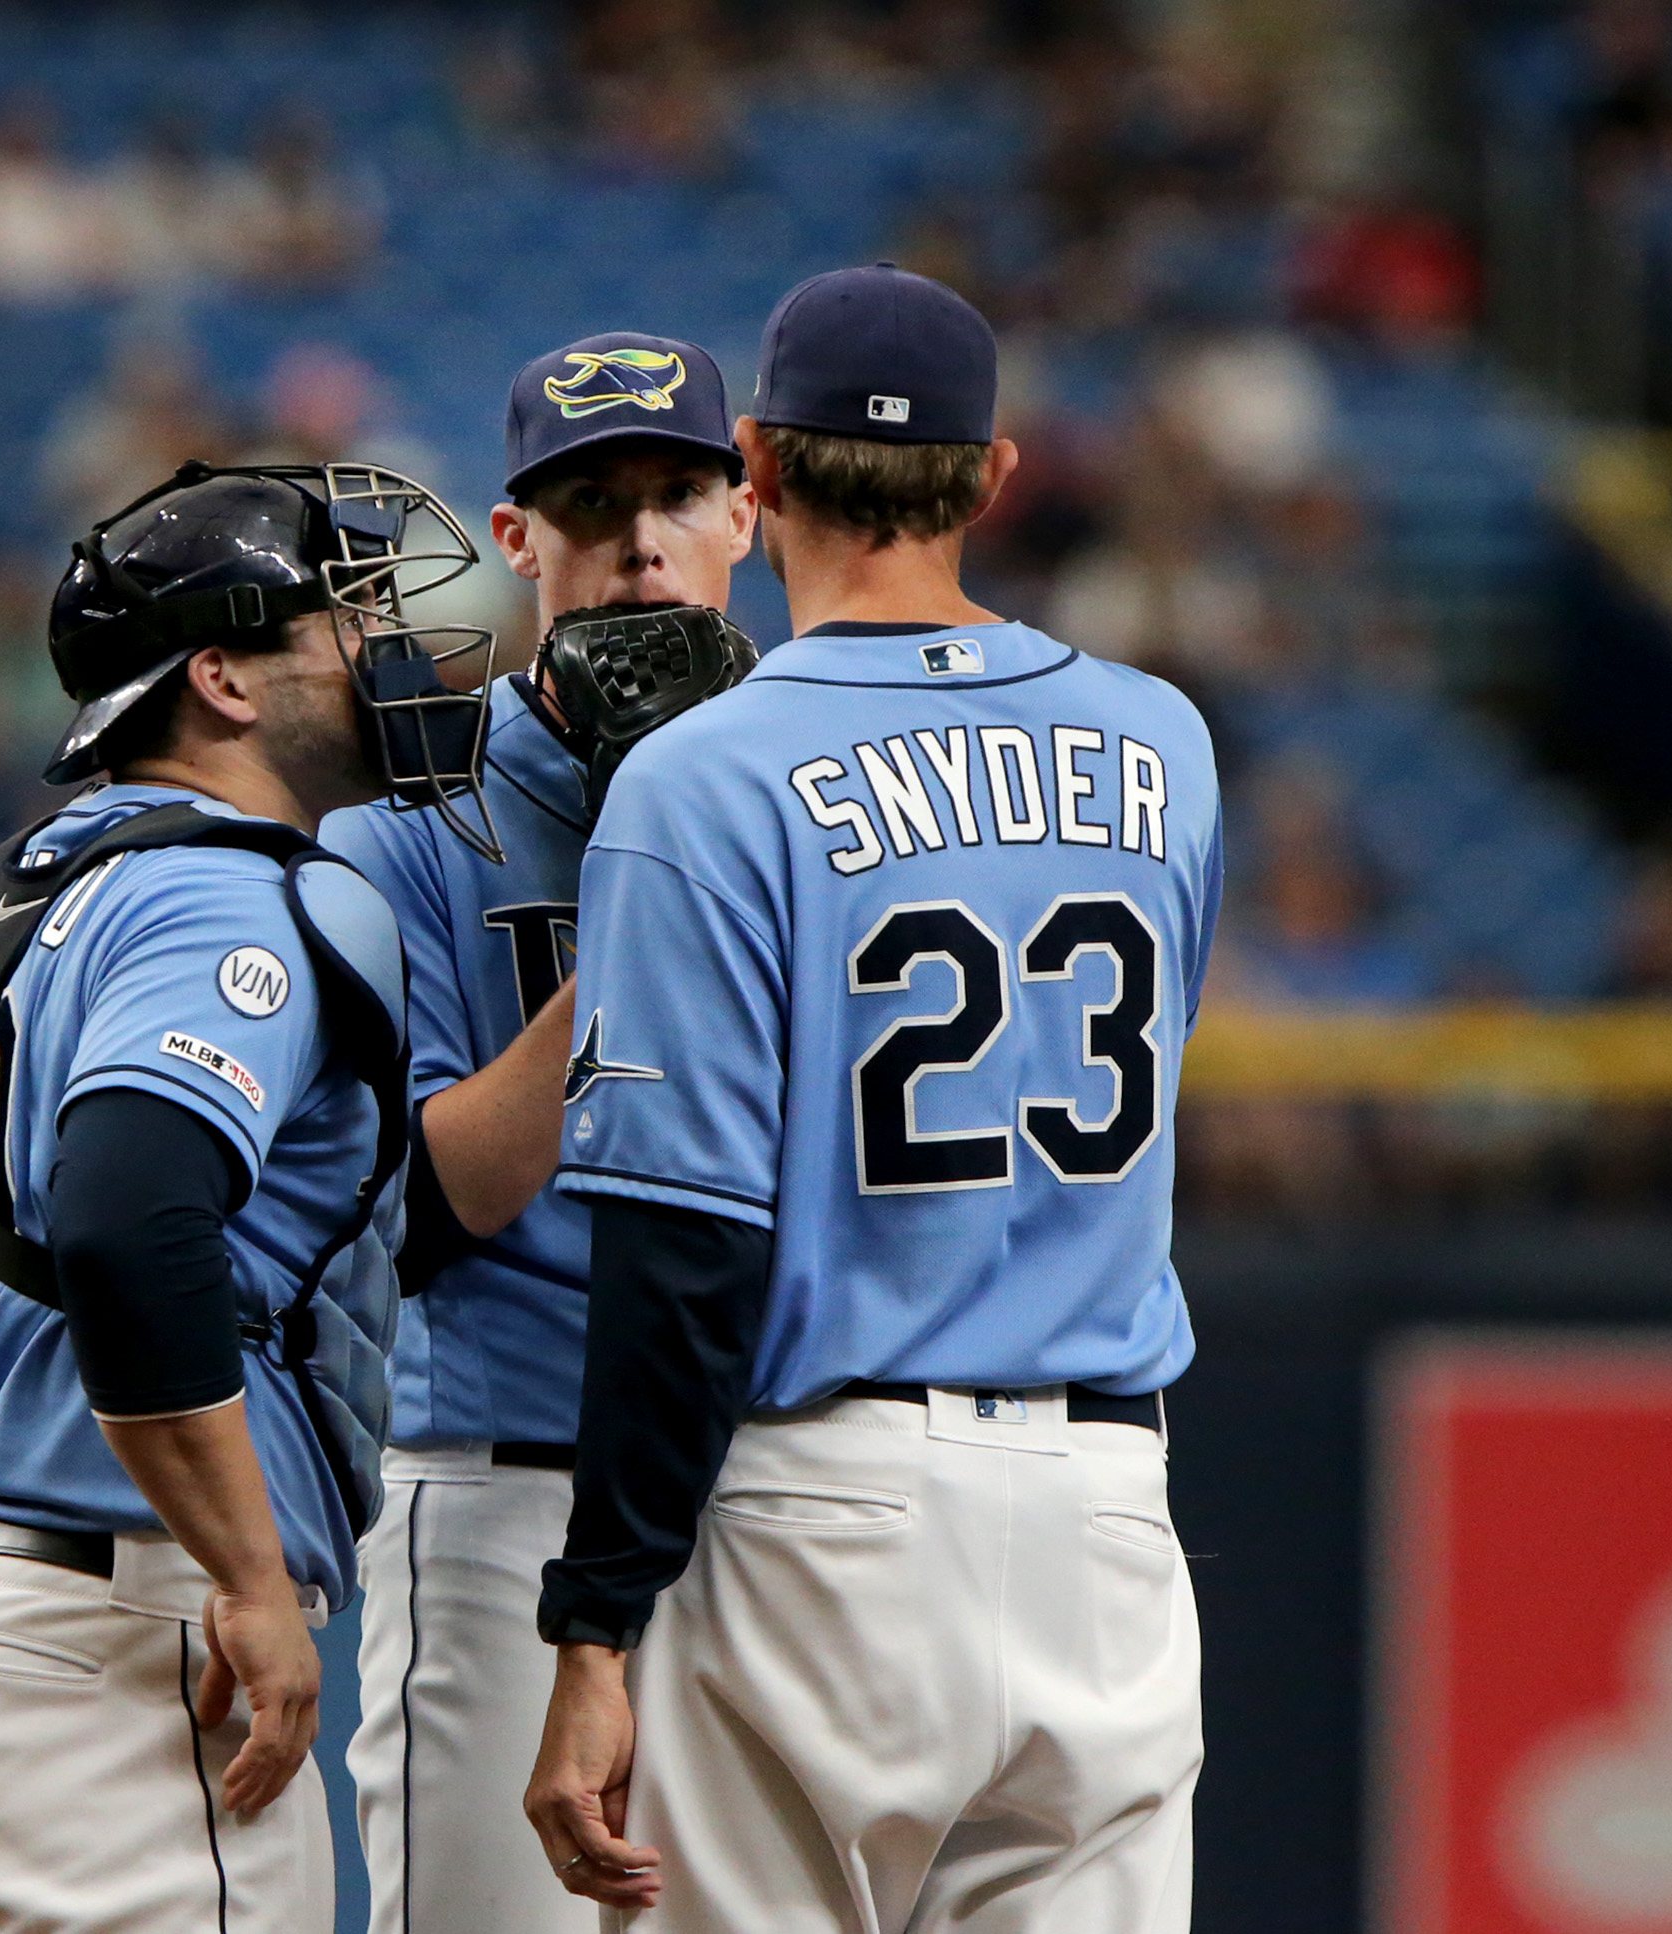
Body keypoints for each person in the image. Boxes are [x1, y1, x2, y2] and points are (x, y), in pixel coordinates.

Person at [0, 458, 500, 1931]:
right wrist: (247, 1573)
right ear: (225, 683)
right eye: (340, 617)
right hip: (101, 1667)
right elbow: (132, 1218)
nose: (385, 648)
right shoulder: (246, 896)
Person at [523, 264, 1225, 1929]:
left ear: (754, 469)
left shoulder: (706, 774)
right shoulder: (1166, 741)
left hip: (819, 1515)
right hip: (1107, 1513)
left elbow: (682, 1251)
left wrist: (595, 1623)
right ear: (992, 478)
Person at [325, 332, 758, 1934]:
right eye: (591, 505)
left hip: (772, 1479)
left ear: (745, 518)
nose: (640, 538)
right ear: (518, 540)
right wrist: (650, 883)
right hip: (508, 1480)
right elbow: (433, 1209)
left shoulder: (826, 788)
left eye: (674, 493)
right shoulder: (412, 816)